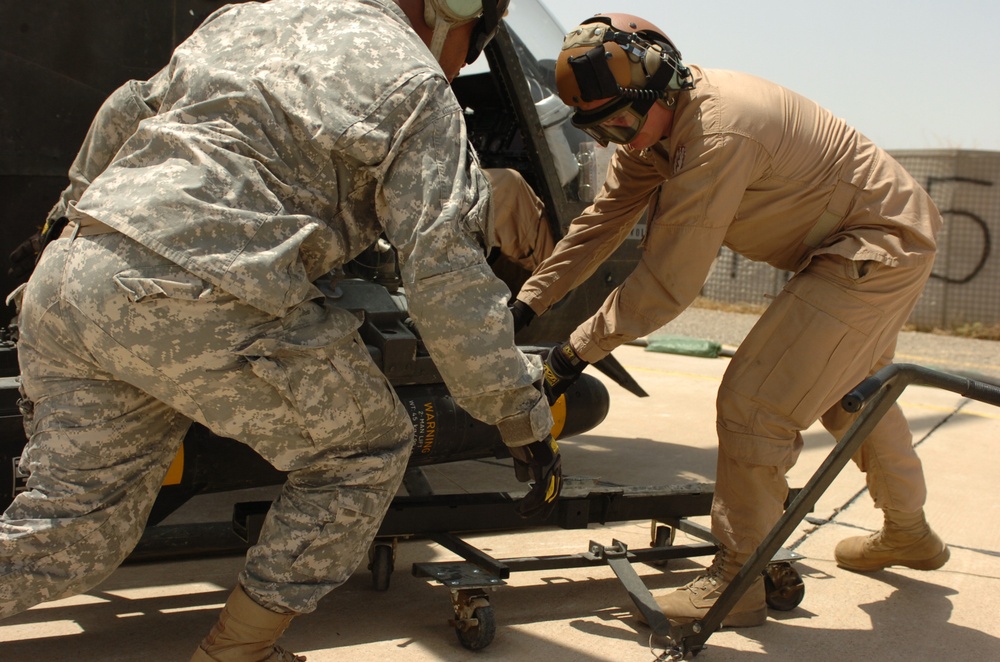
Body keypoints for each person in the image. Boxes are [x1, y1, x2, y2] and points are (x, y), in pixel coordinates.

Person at [0, 1, 564, 660]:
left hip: (74, 277)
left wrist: (62, 221)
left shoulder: (244, 19)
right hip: (202, 290)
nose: (462, 61)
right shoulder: (416, 83)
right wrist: (518, 415)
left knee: (70, 530)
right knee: (365, 451)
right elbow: (446, 276)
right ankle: (237, 654)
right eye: (472, 41)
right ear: (451, 10)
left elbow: (127, 108)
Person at [511, 13, 947, 628]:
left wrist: (568, 355)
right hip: (862, 242)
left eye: (621, 120)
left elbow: (667, 284)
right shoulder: (652, 132)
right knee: (851, 395)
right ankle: (910, 532)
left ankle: (737, 581)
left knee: (755, 405)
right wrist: (527, 303)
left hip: (875, 244)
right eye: (598, 126)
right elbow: (600, 222)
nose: (616, 139)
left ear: (660, 86)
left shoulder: (715, 133)